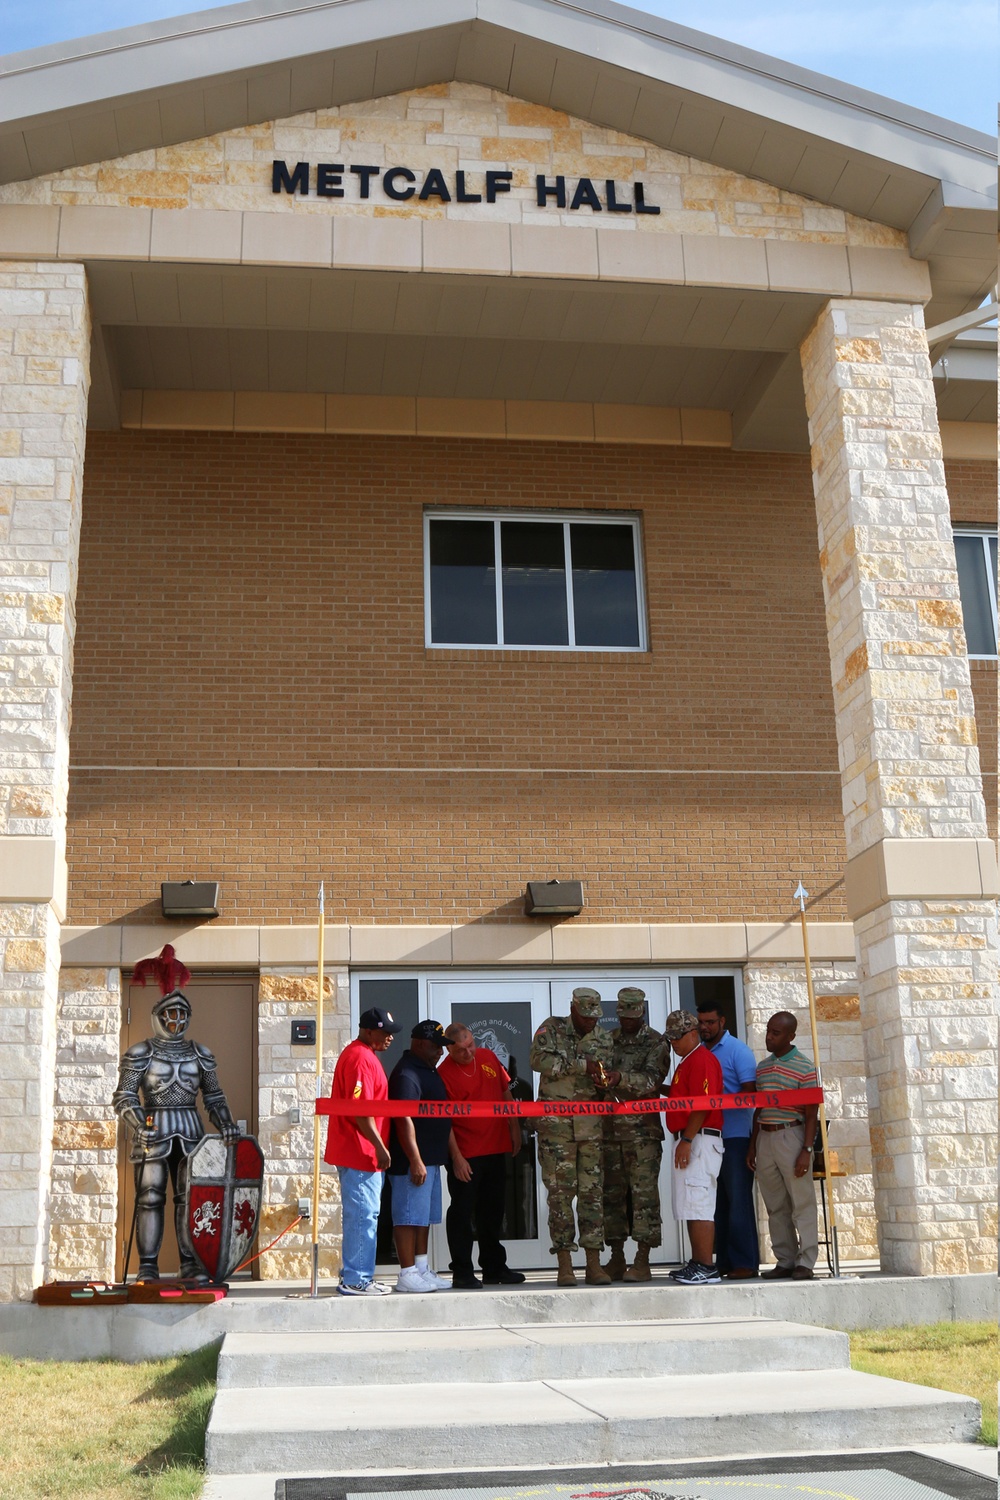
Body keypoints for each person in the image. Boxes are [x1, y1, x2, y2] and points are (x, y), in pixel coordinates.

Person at [113, 989, 240, 1283]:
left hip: (191, 1131)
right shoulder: (141, 1052)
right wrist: (138, 1125)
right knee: (150, 1197)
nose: (176, 1019)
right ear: (159, 1016)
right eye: (171, 1013)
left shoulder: (200, 1053)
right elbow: (125, 1096)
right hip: (154, 1127)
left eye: (182, 1014)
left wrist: (226, 1125)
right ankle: (147, 1266)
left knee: (189, 1199)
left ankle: (190, 1263)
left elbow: (214, 1097)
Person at [529, 987, 619, 1287]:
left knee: (592, 1195)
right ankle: (564, 1263)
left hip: (590, 1128)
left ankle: (593, 1263)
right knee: (560, 1197)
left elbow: (607, 1076)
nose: (591, 1021)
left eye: (595, 1016)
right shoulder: (551, 1028)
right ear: (573, 1009)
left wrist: (603, 1082)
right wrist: (582, 1065)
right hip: (556, 1130)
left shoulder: (604, 1038)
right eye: (585, 1016)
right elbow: (538, 1060)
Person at [439, 1022, 526, 1289]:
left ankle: (494, 1267)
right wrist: (456, 1158)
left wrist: (514, 1128)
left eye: (470, 1045)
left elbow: (505, 1092)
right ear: (449, 1049)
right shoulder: (443, 1074)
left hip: (495, 1148)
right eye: (461, 1049)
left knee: (493, 1212)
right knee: (463, 1214)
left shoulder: (487, 1057)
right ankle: (462, 1271)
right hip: (466, 1154)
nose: (469, 1052)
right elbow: (445, 1122)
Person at [387, 1019, 470, 1293]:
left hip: (431, 1158)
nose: (441, 1052)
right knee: (408, 1217)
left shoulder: (429, 1070)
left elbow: (440, 1114)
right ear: (420, 1044)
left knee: (422, 1217)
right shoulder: (407, 1073)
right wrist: (415, 1159)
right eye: (436, 1047)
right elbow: (403, 1118)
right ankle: (407, 1273)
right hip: (413, 1161)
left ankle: (421, 1268)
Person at [323, 1005, 399, 1296]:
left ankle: (358, 1275)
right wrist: (379, 1147)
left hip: (363, 1152)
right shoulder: (359, 1058)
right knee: (362, 1215)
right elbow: (359, 1110)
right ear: (369, 1031)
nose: (390, 1037)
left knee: (366, 1214)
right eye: (385, 1032)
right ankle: (356, 1279)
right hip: (359, 1152)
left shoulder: (366, 1056)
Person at [748, 1010, 819, 1280]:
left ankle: (806, 1261)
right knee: (775, 1204)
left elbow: (811, 1113)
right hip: (766, 1136)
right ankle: (785, 1260)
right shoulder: (763, 1067)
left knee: (801, 1202)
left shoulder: (804, 1067)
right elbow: (758, 1109)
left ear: (791, 1036)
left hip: (792, 1135)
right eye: (768, 1030)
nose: (769, 1036)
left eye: (775, 1033)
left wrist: (806, 1150)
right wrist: (753, 1145)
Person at [602, 987, 667, 1282]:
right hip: (609, 1131)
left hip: (643, 1134)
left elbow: (652, 1080)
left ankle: (643, 1259)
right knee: (611, 1196)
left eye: (632, 1015)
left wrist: (620, 1079)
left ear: (641, 1012)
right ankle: (616, 1257)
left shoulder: (656, 1042)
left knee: (643, 1198)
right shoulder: (609, 1040)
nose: (626, 1021)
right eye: (622, 1015)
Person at [697, 1001, 760, 1279]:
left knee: (738, 1202)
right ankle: (723, 1262)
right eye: (701, 1022)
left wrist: (717, 1098)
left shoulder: (738, 1051)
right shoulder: (699, 1053)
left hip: (735, 1137)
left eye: (710, 1022)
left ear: (722, 1021)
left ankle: (745, 1263)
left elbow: (750, 1093)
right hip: (710, 1137)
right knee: (716, 1203)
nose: (705, 1027)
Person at [663, 1009, 724, 1285]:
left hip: (699, 1138)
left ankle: (706, 1266)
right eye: (671, 1038)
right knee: (690, 1204)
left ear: (692, 1034)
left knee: (699, 1203)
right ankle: (698, 1262)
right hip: (690, 1137)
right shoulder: (687, 1061)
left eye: (678, 1037)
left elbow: (703, 1103)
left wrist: (686, 1140)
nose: (674, 1043)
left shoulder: (701, 1060)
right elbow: (686, 1097)